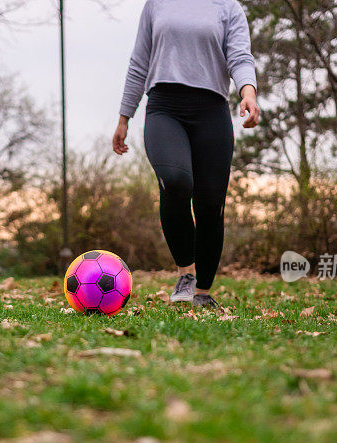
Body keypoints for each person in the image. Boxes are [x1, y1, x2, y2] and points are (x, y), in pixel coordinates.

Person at [113, 0, 260, 308]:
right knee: (176, 180)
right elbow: (139, 61)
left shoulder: (227, 7)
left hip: (212, 111)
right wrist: (124, 117)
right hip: (164, 107)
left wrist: (248, 91)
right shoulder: (157, 4)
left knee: (210, 204)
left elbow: (239, 56)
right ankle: (186, 274)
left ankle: (202, 293)